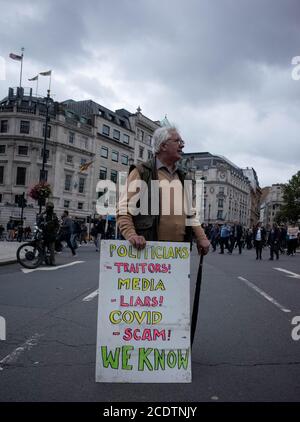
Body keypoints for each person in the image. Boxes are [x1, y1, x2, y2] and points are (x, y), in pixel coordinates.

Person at [117, 125, 210, 255]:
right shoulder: (142, 172)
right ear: (163, 146)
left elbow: (191, 213)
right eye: (177, 141)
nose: (182, 145)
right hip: (148, 250)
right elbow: (124, 209)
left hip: (178, 252)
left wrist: (202, 238)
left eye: (181, 142)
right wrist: (132, 235)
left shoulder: (183, 177)